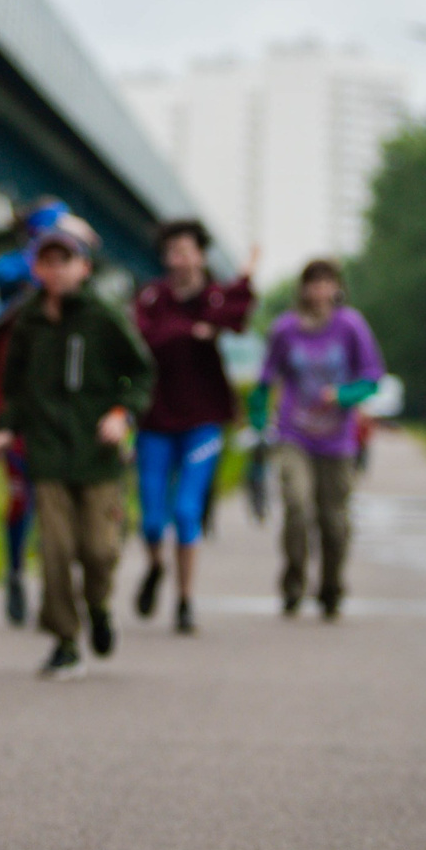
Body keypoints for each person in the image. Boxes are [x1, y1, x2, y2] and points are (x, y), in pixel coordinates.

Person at [0, 219, 153, 678]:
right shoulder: (29, 320)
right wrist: (6, 427)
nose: (56, 271)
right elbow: (14, 385)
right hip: (47, 451)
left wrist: (121, 413)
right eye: (47, 261)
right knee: (56, 551)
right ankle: (63, 639)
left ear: (84, 267)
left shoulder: (103, 314)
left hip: (96, 454)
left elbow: (138, 372)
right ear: (36, 268)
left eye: (66, 261)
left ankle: (97, 606)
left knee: (98, 551)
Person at [130, 220, 257, 634]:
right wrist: (194, 331)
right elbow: (144, 338)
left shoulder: (216, 296)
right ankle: (154, 568)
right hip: (155, 420)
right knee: (152, 519)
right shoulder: (151, 296)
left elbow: (238, 312)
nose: (178, 259)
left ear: (201, 255)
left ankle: (185, 601)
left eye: (185, 251)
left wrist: (245, 279)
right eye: (171, 252)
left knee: (186, 512)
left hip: (203, 421)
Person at [251, 259, 383, 621]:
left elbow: (373, 378)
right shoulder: (285, 330)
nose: (321, 291)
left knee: (334, 522)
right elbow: (265, 380)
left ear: (337, 288)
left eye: (328, 283)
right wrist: (259, 423)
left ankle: (331, 587)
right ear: (304, 288)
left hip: (337, 440)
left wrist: (343, 395)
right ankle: (293, 584)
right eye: (314, 283)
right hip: (294, 434)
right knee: (296, 507)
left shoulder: (350, 326)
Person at [0, 198, 71, 626]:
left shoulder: (74, 282)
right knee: (22, 494)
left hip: (60, 409)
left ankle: (53, 580)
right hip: (16, 409)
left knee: (56, 493)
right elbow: (10, 276)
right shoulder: (12, 268)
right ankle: (14, 571)